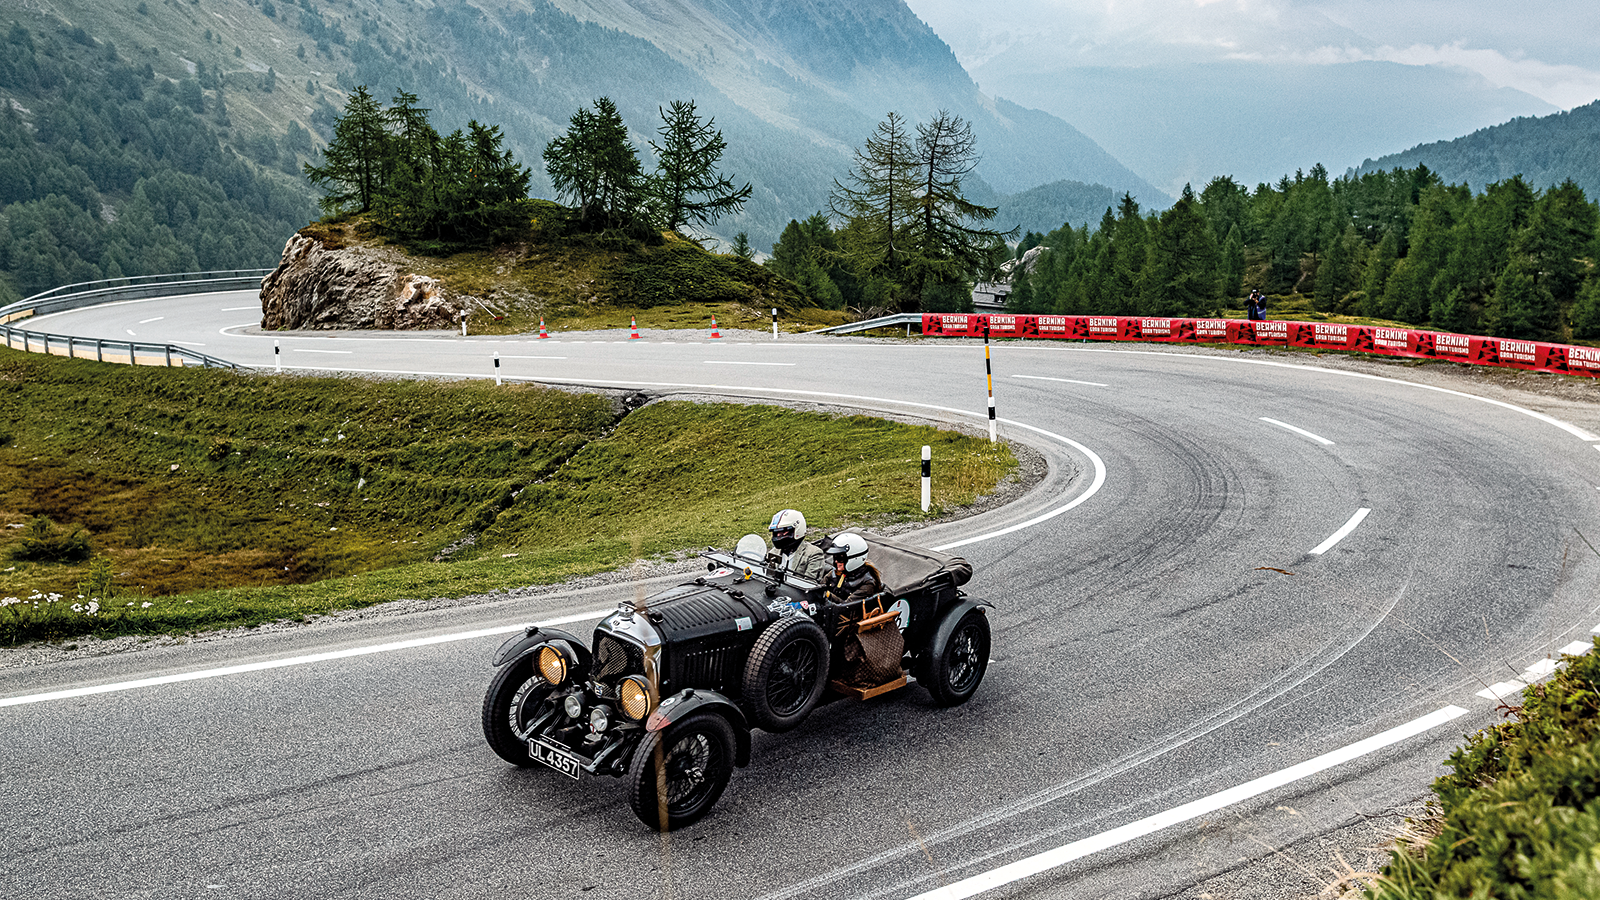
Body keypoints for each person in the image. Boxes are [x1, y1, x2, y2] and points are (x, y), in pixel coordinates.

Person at [767, 509, 828, 581]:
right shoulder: (773, 552)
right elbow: (766, 577)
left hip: (795, 588)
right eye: (776, 532)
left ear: (797, 530)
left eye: (784, 531)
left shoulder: (814, 554)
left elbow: (810, 584)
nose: (778, 535)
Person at [822, 532, 882, 604]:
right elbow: (821, 585)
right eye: (835, 557)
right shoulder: (835, 572)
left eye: (840, 558)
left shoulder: (867, 583)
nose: (836, 561)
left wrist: (827, 595)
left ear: (854, 558)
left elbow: (847, 606)